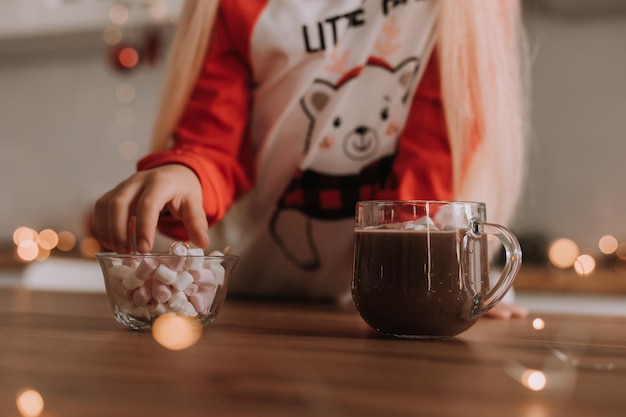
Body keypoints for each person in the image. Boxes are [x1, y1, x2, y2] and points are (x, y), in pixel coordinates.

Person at [93, 0, 529, 317]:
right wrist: (182, 173)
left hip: (401, 302)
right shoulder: (235, 6)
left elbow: (431, 165)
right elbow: (211, 143)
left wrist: (445, 281)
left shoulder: (462, 10)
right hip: (264, 300)